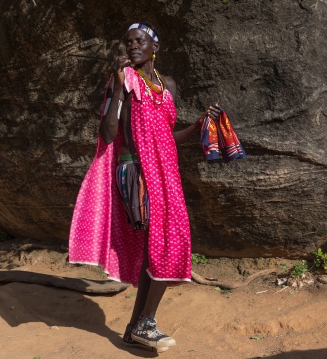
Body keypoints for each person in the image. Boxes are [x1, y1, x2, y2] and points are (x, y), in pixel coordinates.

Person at [69, 23, 223, 352]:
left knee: (159, 246)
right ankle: (146, 323)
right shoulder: (124, 78)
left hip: (166, 170)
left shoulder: (167, 86)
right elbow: (109, 133)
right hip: (135, 171)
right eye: (129, 42)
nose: (133, 46)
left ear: (155, 45)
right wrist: (118, 89)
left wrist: (198, 125)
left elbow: (168, 137)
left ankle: (134, 328)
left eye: (140, 41)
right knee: (170, 239)